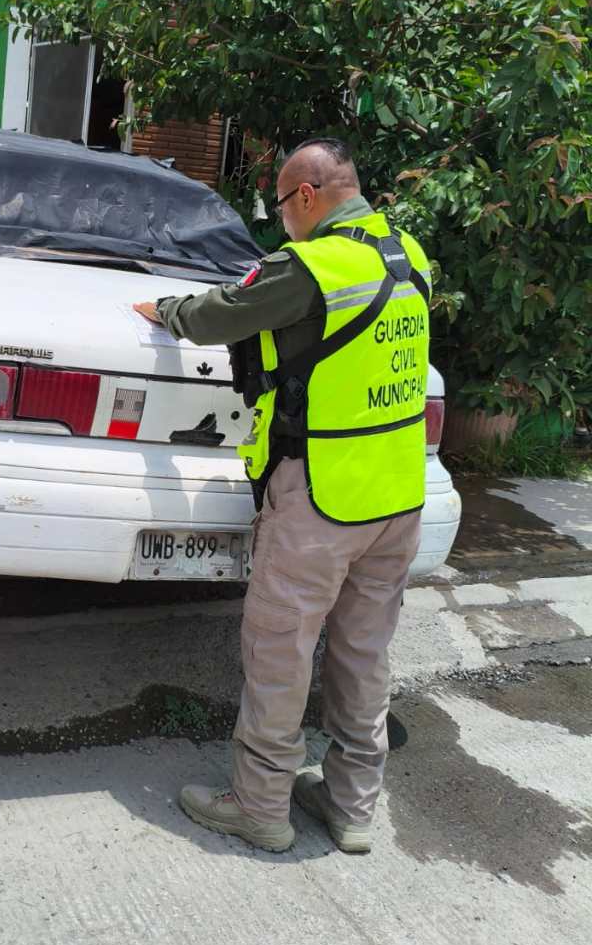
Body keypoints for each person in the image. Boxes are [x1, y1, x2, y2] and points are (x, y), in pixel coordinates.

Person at [134, 137, 431, 855]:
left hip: (322, 496)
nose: (282, 221)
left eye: (280, 206)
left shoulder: (311, 267)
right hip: (397, 495)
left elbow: (220, 314)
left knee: (280, 650)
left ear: (306, 195)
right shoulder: (409, 255)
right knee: (364, 653)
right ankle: (351, 806)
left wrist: (164, 309)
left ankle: (259, 804)